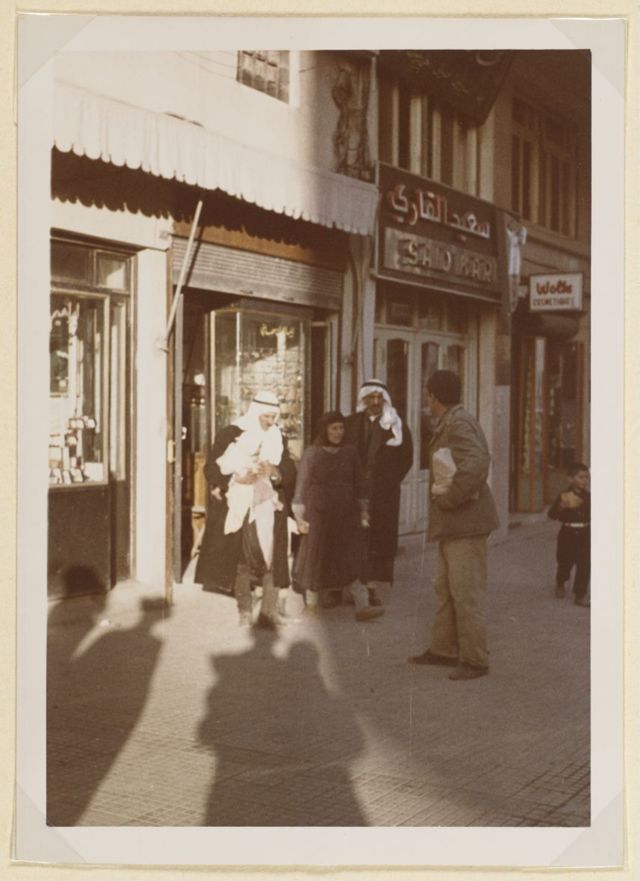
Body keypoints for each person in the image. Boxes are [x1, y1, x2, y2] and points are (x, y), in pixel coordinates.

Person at [409, 369, 499, 681]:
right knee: (446, 587)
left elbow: (477, 463)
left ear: (434, 396)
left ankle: (475, 660)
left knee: (465, 592)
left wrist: (450, 499)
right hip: (456, 525)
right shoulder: (452, 421)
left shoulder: (459, 423)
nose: (427, 400)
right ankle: (443, 649)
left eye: (428, 395)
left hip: (465, 523)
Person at [194, 391, 296, 628]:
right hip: (240, 504)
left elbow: (288, 468)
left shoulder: (277, 437)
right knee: (242, 558)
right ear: (255, 413)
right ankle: (245, 610)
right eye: (266, 417)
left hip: (269, 504)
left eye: (273, 417)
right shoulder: (231, 433)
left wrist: (275, 472)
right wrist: (235, 479)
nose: (270, 422)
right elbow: (212, 468)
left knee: (271, 555)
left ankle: (269, 611)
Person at [292, 411, 383, 622]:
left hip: (346, 512)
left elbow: (360, 483)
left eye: (341, 428)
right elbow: (302, 484)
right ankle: (311, 605)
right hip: (318, 513)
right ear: (325, 430)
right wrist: (299, 516)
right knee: (315, 558)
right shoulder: (312, 453)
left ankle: (362, 605)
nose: (338, 432)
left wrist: (363, 508)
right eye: (334, 428)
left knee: (353, 556)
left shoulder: (350, 452)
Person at [344, 379, 413, 608]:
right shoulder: (350, 423)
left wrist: (388, 480)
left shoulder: (395, 426)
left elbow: (406, 459)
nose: (375, 402)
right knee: (353, 538)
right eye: (370, 398)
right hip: (354, 491)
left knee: (375, 541)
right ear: (363, 399)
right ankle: (348, 586)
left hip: (382, 493)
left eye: (379, 398)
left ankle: (371, 588)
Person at [548, 463, 590, 607]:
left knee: (584, 564)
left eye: (586, 477)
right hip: (568, 533)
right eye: (580, 477)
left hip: (585, 532)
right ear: (571, 479)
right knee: (565, 562)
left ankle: (580, 594)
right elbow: (552, 515)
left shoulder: (589, 496)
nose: (584, 480)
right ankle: (561, 581)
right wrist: (562, 506)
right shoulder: (564, 495)